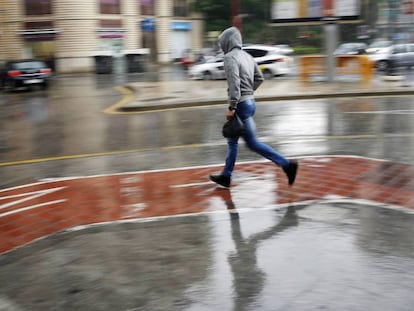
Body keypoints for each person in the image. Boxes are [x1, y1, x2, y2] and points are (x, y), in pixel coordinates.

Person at [209, 26, 298, 188]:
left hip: (240, 104)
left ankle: (286, 165)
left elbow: (234, 83)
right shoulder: (248, 57)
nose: (222, 46)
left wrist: (232, 106)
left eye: (222, 42)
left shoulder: (230, 57)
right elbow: (259, 78)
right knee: (243, 142)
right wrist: (249, 92)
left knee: (243, 143)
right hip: (250, 102)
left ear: (227, 41)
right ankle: (227, 176)